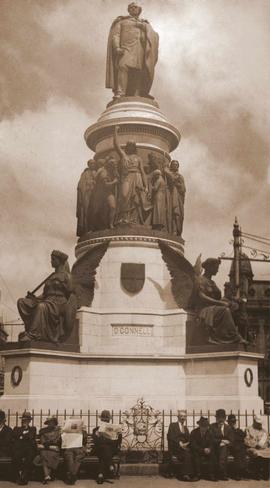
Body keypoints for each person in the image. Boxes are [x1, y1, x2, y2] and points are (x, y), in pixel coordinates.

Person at [17, 250, 76, 344]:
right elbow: (44, 294)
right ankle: (31, 328)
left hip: (59, 302)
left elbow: (71, 293)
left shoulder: (67, 276)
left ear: (59, 261)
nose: (51, 261)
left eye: (53, 259)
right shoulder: (51, 276)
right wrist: (34, 298)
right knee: (22, 302)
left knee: (41, 307)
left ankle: (32, 335)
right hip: (47, 300)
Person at [106, 2, 159, 98]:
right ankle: (120, 92)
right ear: (128, 10)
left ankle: (137, 94)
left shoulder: (144, 23)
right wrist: (117, 47)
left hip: (140, 51)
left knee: (138, 71)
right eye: (131, 7)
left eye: (136, 7)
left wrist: (144, 27)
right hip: (126, 49)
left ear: (139, 10)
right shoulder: (121, 21)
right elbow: (116, 35)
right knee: (123, 66)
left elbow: (154, 36)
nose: (133, 9)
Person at [196, 257, 249, 344]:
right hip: (205, 310)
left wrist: (232, 301)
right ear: (209, 267)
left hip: (214, 308)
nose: (217, 270)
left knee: (238, 309)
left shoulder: (212, 283)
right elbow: (201, 296)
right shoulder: (200, 280)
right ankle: (234, 337)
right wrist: (220, 303)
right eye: (216, 268)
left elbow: (220, 299)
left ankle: (244, 336)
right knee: (225, 310)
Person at [113, 125, 150, 224]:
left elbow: (142, 172)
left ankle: (133, 219)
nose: (130, 147)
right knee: (124, 196)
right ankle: (123, 217)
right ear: (127, 147)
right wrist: (115, 132)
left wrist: (146, 186)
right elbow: (116, 145)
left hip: (137, 177)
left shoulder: (138, 158)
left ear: (134, 147)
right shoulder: (123, 155)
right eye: (129, 145)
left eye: (132, 145)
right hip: (127, 177)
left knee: (136, 199)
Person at [92, 410, 122, 485]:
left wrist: (118, 434)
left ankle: (100, 475)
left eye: (106, 420)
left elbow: (118, 442)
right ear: (101, 420)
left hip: (110, 450)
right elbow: (96, 442)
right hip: (100, 449)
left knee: (104, 450)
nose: (105, 421)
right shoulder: (96, 430)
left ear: (109, 420)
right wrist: (97, 435)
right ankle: (110, 465)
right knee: (104, 449)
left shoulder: (114, 429)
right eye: (104, 420)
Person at [167, 410, 193, 481]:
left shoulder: (186, 428)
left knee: (190, 453)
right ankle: (185, 474)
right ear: (178, 417)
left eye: (184, 416)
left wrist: (187, 444)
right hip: (175, 448)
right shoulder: (173, 425)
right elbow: (170, 437)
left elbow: (189, 439)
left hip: (184, 448)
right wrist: (179, 443)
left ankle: (190, 473)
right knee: (187, 454)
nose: (183, 418)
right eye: (181, 416)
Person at [12, 412, 37, 485]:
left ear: (29, 421)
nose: (24, 421)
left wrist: (21, 436)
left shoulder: (33, 428)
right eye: (23, 420)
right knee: (16, 456)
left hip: (29, 449)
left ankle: (24, 476)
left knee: (29, 457)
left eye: (26, 420)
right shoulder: (16, 428)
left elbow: (31, 437)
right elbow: (15, 436)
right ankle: (19, 476)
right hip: (19, 448)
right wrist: (24, 435)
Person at [61, 417, 87, 485]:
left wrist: (83, 431)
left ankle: (72, 475)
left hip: (79, 448)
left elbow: (85, 441)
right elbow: (62, 441)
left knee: (78, 457)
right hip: (69, 447)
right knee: (69, 458)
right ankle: (73, 475)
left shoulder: (82, 431)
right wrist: (63, 432)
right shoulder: (65, 431)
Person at [210, 409, 234, 480]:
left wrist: (226, 443)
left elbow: (232, 440)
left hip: (225, 447)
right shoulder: (212, 426)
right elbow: (210, 438)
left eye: (222, 418)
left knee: (223, 452)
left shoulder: (228, 428)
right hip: (215, 446)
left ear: (225, 418)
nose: (220, 420)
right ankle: (214, 474)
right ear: (216, 418)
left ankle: (222, 474)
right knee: (214, 454)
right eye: (218, 418)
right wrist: (221, 441)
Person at [190, 416, 216, 481]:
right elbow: (193, 445)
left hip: (207, 451)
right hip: (198, 450)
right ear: (199, 426)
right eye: (202, 426)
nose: (204, 428)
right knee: (195, 455)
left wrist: (209, 449)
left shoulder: (210, 433)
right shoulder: (194, 432)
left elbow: (212, 443)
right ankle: (197, 475)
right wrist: (202, 450)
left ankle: (211, 475)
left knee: (213, 455)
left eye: (206, 426)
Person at [245, 415, 270, 480]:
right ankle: (256, 473)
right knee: (256, 453)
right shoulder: (248, 429)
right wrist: (255, 445)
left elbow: (267, 440)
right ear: (254, 421)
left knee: (268, 453)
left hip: (263, 448)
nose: (259, 424)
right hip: (252, 447)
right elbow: (246, 440)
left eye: (260, 423)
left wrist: (264, 445)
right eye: (258, 423)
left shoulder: (264, 431)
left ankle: (265, 473)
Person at [76, 159, 97, 237]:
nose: (93, 165)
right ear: (89, 165)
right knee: (86, 211)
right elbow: (80, 185)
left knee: (94, 211)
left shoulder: (96, 173)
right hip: (87, 194)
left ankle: (93, 228)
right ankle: (86, 229)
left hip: (94, 195)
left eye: (94, 164)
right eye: (91, 163)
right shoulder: (85, 173)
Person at [38, 416, 61, 484]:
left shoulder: (58, 431)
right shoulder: (43, 431)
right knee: (44, 454)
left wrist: (51, 444)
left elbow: (58, 442)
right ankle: (47, 475)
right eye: (49, 422)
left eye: (52, 422)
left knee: (51, 455)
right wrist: (50, 446)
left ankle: (46, 476)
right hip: (46, 448)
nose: (51, 423)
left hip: (54, 449)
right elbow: (43, 441)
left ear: (55, 423)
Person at [227, 414, 247, 480]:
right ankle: (237, 473)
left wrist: (236, 429)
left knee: (241, 451)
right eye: (231, 422)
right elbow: (232, 438)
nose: (233, 423)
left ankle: (240, 471)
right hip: (230, 447)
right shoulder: (227, 429)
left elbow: (243, 436)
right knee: (238, 452)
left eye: (234, 422)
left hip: (239, 447)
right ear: (228, 422)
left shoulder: (238, 429)